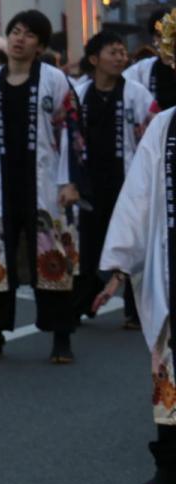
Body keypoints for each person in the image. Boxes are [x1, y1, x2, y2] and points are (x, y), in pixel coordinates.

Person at [0, 10, 84, 363]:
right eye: (15, 31)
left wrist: (71, 181)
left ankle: (62, 336)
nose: (19, 39)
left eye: (28, 35)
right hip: (1, 186)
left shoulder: (55, 81)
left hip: (45, 185)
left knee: (53, 257)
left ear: (40, 45)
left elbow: (72, 132)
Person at [94, 10, 176, 484]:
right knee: (167, 366)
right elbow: (140, 196)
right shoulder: (164, 125)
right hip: (172, 261)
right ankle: (170, 465)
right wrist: (120, 264)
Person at [72, 30, 157, 324]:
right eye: (113, 52)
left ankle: (135, 311)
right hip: (90, 182)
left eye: (122, 52)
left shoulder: (137, 94)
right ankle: (86, 302)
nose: (120, 57)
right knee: (90, 245)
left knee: (132, 244)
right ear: (94, 59)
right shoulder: (79, 94)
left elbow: (148, 138)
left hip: (126, 182)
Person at [123, 9, 176, 110]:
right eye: (160, 35)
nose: (166, 40)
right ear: (154, 39)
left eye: (171, 35)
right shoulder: (141, 70)